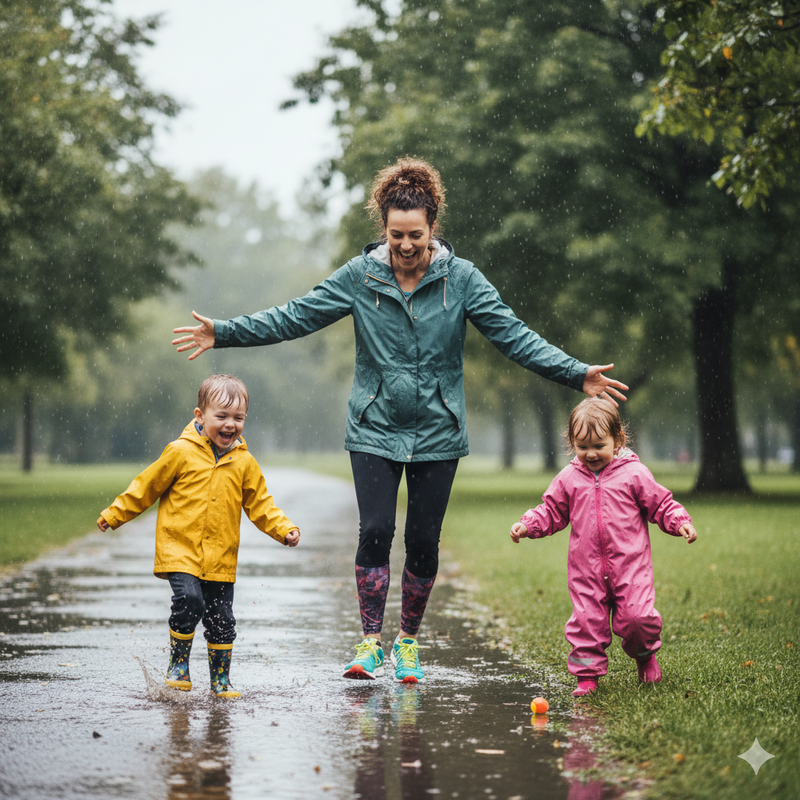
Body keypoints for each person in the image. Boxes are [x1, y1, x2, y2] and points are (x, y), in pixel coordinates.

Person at [172, 157, 628, 684]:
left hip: (438, 429)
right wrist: (223, 332)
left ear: (434, 228)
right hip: (374, 424)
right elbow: (294, 315)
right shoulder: (359, 277)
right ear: (382, 229)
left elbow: (513, 335)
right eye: (395, 236)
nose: (405, 246)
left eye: (415, 235)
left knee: (423, 540)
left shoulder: (462, 280)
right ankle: (370, 642)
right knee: (375, 530)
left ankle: (407, 642)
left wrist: (576, 373)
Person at [97, 374, 300, 698]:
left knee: (222, 619)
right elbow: (145, 487)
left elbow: (261, 504)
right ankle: (178, 664)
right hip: (180, 550)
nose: (230, 424)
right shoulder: (180, 452)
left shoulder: (244, 463)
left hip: (220, 556)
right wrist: (114, 514)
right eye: (221, 416)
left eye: (238, 418)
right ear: (200, 416)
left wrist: (284, 529)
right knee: (189, 601)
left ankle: (221, 679)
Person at [510, 397, 697, 697]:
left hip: (630, 567)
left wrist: (679, 521)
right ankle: (587, 676)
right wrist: (528, 524)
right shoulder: (570, 478)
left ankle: (645, 656)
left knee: (637, 620)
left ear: (618, 439)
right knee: (586, 624)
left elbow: (660, 504)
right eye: (583, 446)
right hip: (586, 571)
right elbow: (551, 510)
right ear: (572, 443)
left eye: (599, 445)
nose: (591, 454)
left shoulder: (633, 474)